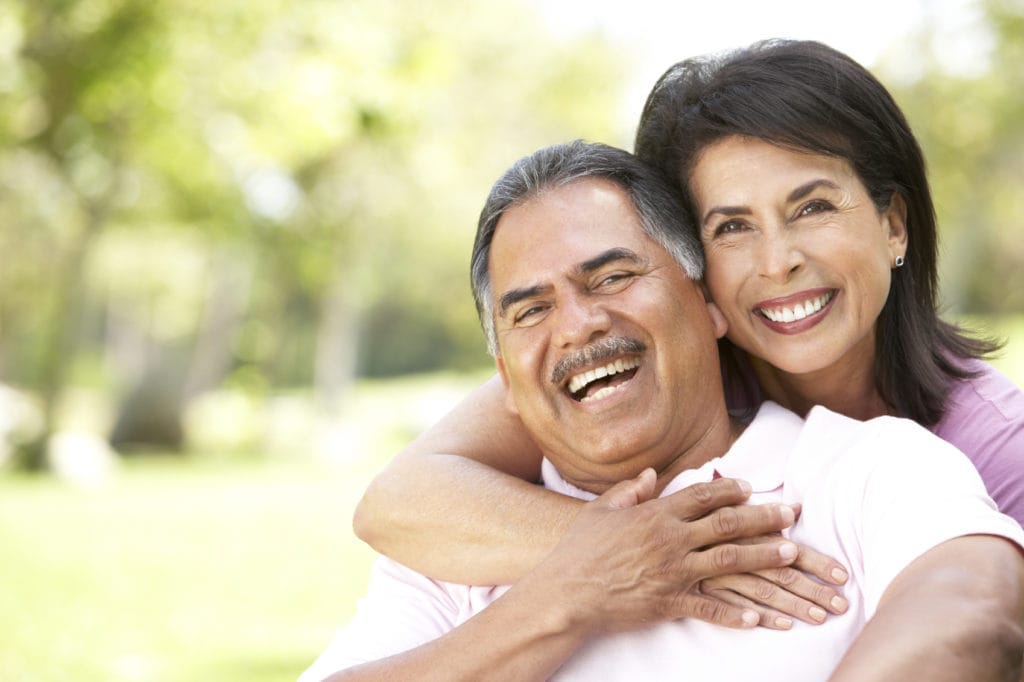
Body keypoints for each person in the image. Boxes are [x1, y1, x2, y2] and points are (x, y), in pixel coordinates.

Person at [351, 39, 1024, 627]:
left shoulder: (991, 446)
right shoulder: (658, 364)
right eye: (731, 226)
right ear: (689, 268)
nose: (777, 260)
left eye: (812, 207)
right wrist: (648, 549)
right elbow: (398, 502)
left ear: (894, 225)